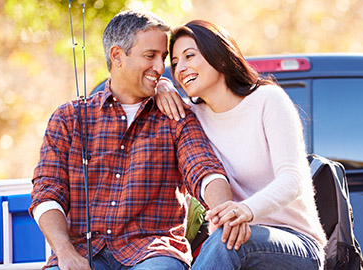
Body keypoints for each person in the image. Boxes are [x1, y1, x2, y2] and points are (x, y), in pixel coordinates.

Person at [29, 11, 237, 270]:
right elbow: (47, 193)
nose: (161, 68)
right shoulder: (68, 118)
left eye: (162, 58)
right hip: (82, 252)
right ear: (117, 56)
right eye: (150, 56)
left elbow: (204, 170)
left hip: (153, 253)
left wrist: (225, 210)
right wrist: (64, 253)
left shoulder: (175, 115)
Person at [155, 20, 327, 270]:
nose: (181, 67)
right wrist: (162, 85)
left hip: (296, 243)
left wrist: (245, 210)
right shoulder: (191, 115)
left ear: (221, 58)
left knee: (226, 242)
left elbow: (293, 179)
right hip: (232, 236)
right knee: (222, 242)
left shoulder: (268, 100)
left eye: (189, 56)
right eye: (175, 63)